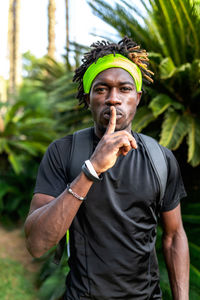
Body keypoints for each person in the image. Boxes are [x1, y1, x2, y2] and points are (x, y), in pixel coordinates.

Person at [24, 37, 189, 300]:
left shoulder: (161, 158)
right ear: (88, 98)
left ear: (137, 98)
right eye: (101, 89)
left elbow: (174, 235)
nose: (113, 99)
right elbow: (37, 245)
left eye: (124, 89)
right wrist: (91, 169)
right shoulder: (63, 152)